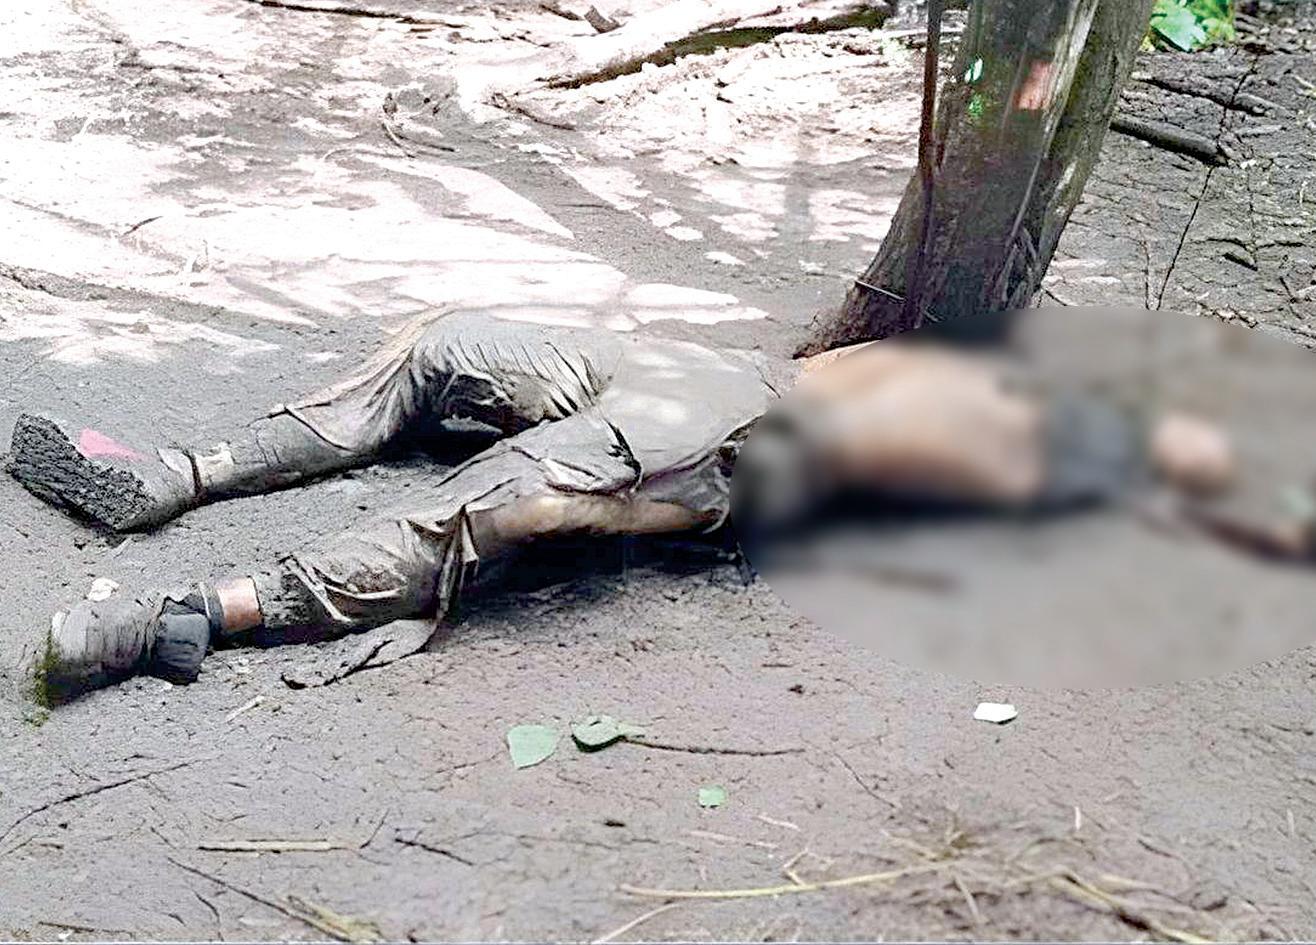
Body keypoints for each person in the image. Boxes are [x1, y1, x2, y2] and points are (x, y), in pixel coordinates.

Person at [8, 310, 1233, 703]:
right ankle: (177, 472)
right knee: (445, 348)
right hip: (711, 373)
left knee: (508, 499)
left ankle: (194, 615)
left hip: (745, 440)